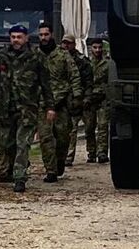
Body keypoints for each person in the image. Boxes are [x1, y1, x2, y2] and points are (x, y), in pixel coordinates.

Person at [0, 24, 55, 193]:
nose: (16, 40)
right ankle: (18, 165)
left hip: (27, 108)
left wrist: (50, 107)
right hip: (6, 107)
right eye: (13, 37)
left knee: (23, 143)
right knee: (7, 143)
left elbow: (45, 84)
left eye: (19, 37)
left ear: (26, 38)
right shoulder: (2, 56)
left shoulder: (36, 57)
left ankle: (19, 177)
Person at [36, 24, 83, 181]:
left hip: (61, 103)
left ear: (52, 35)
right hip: (42, 103)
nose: (43, 38)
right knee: (45, 138)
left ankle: (60, 161)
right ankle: (50, 170)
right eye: (41, 35)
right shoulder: (35, 55)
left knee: (63, 138)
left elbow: (74, 75)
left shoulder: (63, 55)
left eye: (46, 34)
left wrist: (77, 97)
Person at [61, 34, 93, 165]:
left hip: (83, 98)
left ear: (74, 44)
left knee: (90, 128)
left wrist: (87, 97)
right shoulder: (59, 59)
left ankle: (93, 152)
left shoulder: (82, 61)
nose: (66, 46)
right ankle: (68, 156)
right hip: (68, 100)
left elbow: (89, 81)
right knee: (71, 129)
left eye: (68, 43)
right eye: (64, 43)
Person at [90, 36, 110, 164]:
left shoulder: (107, 64)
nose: (97, 50)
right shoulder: (87, 63)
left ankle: (102, 152)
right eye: (95, 47)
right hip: (90, 98)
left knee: (103, 125)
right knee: (89, 127)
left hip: (103, 98)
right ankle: (91, 153)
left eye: (99, 47)